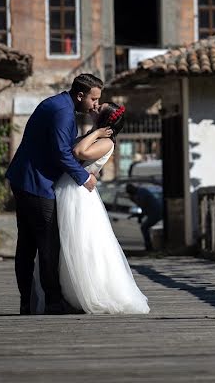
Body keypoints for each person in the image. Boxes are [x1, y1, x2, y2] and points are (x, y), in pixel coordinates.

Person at [7, 73, 101, 316]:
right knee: (48, 244)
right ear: (80, 95)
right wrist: (85, 178)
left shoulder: (58, 104)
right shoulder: (62, 112)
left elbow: (65, 147)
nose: (95, 105)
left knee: (27, 244)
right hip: (37, 183)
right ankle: (53, 302)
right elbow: (62, 152)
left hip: (24, 179)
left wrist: (94, 128)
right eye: (93, 99)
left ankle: (27, 302)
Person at [52, 102, 150, 314]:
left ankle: (85, 293)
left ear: (105, 120)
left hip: (78, 193)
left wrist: (95, 132)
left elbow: (78, 151)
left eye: (99, 108)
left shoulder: (106, 142)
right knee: (66, 242)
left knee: (82, 242)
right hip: (69, 186)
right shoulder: (96, 135)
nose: (94, 108)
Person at [126, 183, 163, 252]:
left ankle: (149, 247)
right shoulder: (140, 192)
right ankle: (149, 246)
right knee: (144, 227)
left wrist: (139, 216)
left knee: (144, 227)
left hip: (155, 213)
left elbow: (143, 207)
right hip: (153, 212)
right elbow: (142, 208)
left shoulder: (141, 193)